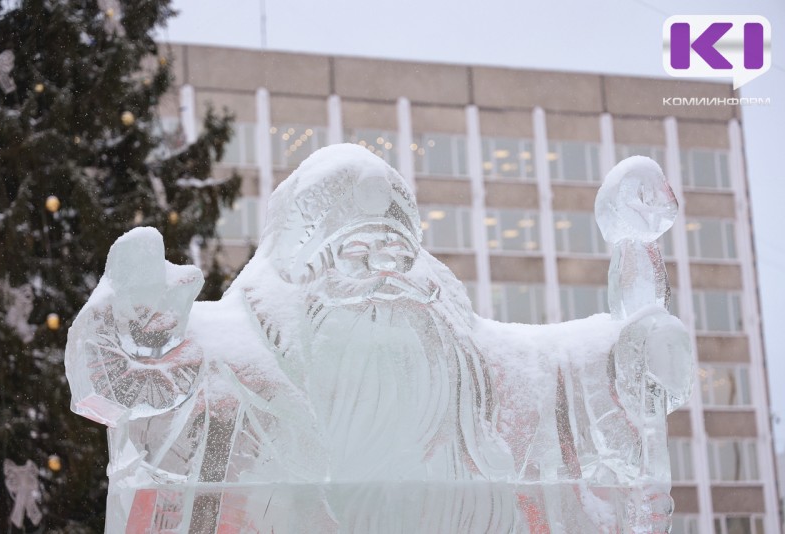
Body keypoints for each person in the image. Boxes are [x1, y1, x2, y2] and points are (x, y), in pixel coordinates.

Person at [66, 144, 691, 533]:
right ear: (304, 273)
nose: (382, 276)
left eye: (395, 251)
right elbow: (124, 379)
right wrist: (132, 320)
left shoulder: (466, 367)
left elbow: (570, 373)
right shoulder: (230, 357)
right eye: (355, 252)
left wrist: (637, 334)